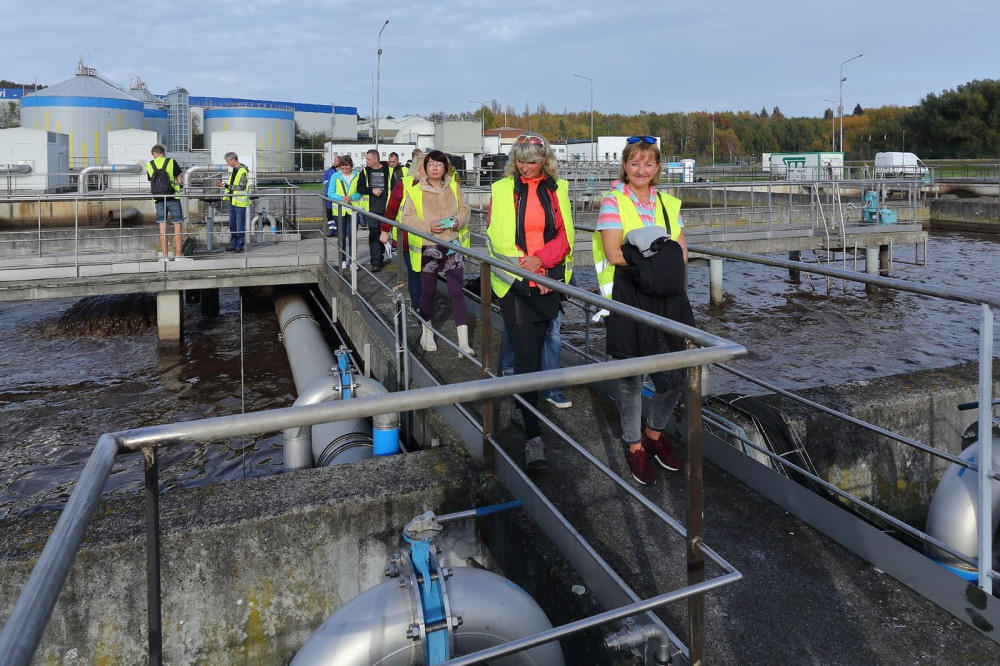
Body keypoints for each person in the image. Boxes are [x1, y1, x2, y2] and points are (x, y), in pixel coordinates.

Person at [593, 135, 692, 486]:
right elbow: (614, 253)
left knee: (675, 374)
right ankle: (634, 445)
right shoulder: (613, 202)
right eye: (634, 163)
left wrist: (660, 264)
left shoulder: (667, 202)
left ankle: (654, 434)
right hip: (629, 294)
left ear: (657, 168)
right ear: (625, 165)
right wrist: (658, 263)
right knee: (633, 377)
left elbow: (680, 248)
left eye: (648, 163)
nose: (641, 169)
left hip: (666, 297)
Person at [486, 133, 574, 470]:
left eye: (532, 160)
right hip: (516, 283)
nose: (525, 166)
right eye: (520, 160)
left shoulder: (558, 189)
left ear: (545, 160)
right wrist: (529, 271)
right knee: (524, 355)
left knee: (534, 357)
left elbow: (566, 235)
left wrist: (544, 263)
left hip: (547, 280)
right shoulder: (501, 189)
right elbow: (497, 238)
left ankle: (523, 410)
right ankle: (533, 438)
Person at [400, 150, 473, 355]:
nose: (434, 167)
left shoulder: (454, 187)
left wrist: (459, 220)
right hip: (428, 245)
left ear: (446, 168)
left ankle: (464, 343)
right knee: (428, 292)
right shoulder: (415, 192)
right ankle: (427, 333)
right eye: (430, 164)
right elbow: (407, 219)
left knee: (457, 291)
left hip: (452, 245)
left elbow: (465, 209)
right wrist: (428, 226)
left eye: (439, 164)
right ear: (424, 168)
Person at [381, 150, 423, 307]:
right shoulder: (405, 183)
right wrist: (385, 230)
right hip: (407, 237)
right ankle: (418, 308)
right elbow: (392, 208)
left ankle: (422, 306)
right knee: (414, 273)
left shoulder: (437, 186)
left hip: (428, 238)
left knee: (424, 274)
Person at [146, 144, 188, 261]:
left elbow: (152, 180)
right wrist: (180, 186)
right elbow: (179, 180)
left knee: (162, 226)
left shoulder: (150, 164)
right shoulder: (171, 162)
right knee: (177, 225)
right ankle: (178, 256)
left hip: (158, 199)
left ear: (154, 154)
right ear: (163, 152)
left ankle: (165, 257)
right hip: (173, 197)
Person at [355, 149, 393, 272]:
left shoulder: (389, 171)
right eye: (366, 159)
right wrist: (371, 190)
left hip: (386, 209)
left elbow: (395, 188)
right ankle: (375, 262)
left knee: (383, 236)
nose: (366, 161)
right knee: (373, 236)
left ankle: (380, 257)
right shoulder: (365, 172)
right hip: (371, 210)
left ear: (376, 159)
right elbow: (359, 188)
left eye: (368, 159)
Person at [326, 155, 361, 267]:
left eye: (347, 165)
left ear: (351, 165)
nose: (345, 167)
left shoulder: (357, 175)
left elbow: (360, 191)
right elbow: (330, 192)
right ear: (340, 166)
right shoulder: (335, 176)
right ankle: (343, 260)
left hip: (353, 209)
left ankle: (352, 260)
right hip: (339, 210)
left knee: (352, 236)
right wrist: (340, 198)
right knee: (341, 236)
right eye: (343, 165)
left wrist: (353, 197)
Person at [216, 152, 250, 253]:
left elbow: (241, 187)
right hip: (232, 201)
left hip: (240, 203)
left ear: (233, 160)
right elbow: (233, 185)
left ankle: (240, 245)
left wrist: (226, 186)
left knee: (240, 225)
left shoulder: (242, 171)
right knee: (232, 225)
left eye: (227, 161)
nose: (227, 163)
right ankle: (234, 244)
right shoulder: (234, 170)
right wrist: (224, 185)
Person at [322, 154, 341, 233]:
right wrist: (329, 185)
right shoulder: (329, 170)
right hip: (328, 196)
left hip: (337, 197)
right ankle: (332, 230)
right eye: (335, 161)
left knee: (337, 214)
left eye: (337, 161)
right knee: (329, 214)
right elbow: (324, 179)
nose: (335, 163)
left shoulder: (341, 172)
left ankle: (338, 231)